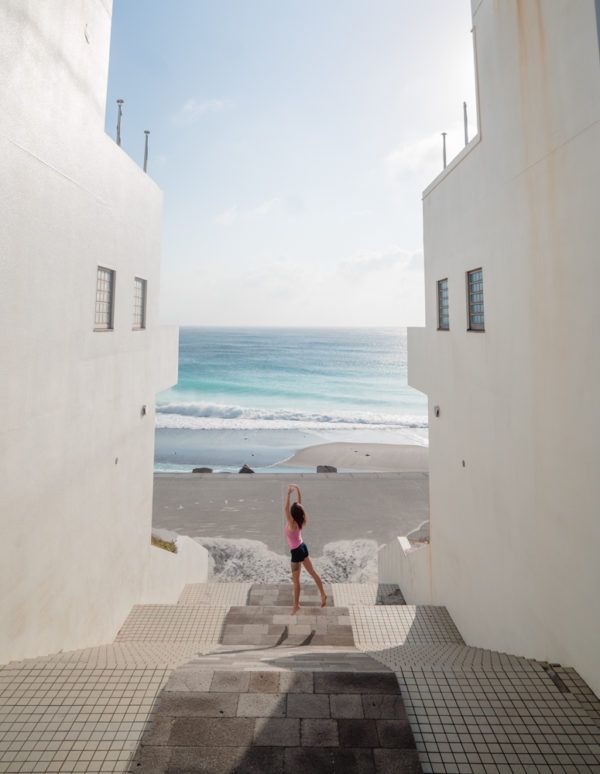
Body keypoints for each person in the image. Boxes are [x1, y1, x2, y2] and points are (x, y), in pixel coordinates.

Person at [284, 484, 327, 614]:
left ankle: (296, 606)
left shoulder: (291, 522)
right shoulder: (299, 519)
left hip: (296, 552)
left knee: (296, 582)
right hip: (302, 547)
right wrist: (297, 489)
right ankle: (323, 594)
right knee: (312, 573)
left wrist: (288, 494)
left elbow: (286, 508)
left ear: (293, 513)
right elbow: (298, 504)